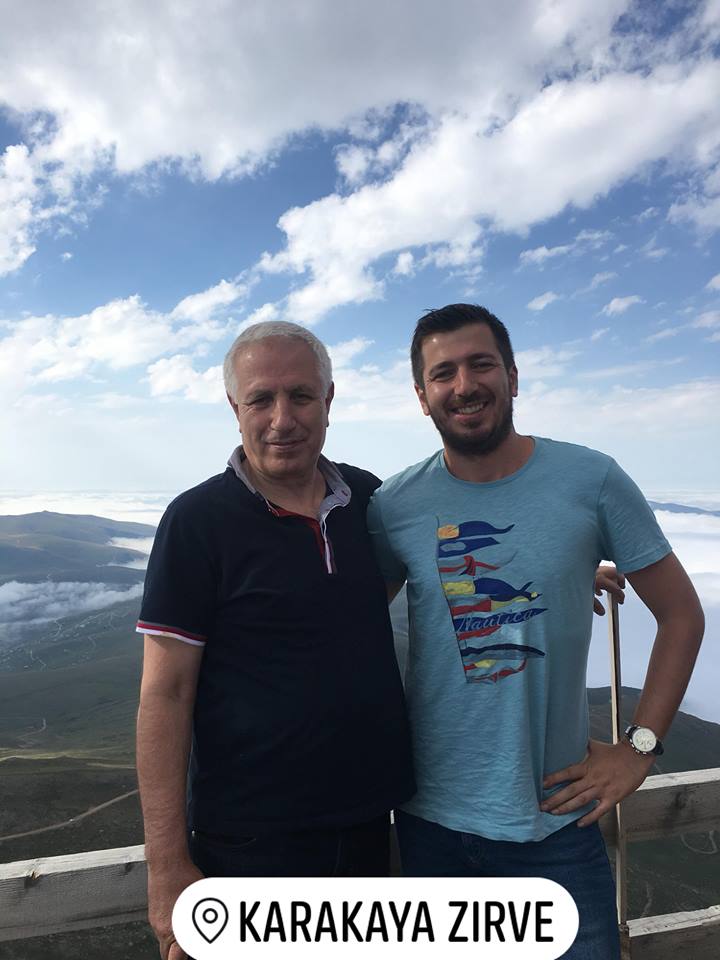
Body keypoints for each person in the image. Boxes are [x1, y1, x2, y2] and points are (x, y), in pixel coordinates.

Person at [366, 303, 704, 959]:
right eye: (443, 373)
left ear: (513, 376)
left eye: (481, 364)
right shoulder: (394, 505)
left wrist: (639, 749)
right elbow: (346, 622)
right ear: (422, 396)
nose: (465, 385)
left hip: (555, 826)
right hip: (428, 825)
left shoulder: (591, 480)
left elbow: (683, 615)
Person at [135, 321, 415, 960]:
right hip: (250, 844)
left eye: (301, 396)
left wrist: (549, 570)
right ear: (235, 407)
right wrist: (167, 866)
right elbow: (165, 696)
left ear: (329, 400)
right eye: (261, 399)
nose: (282, 419)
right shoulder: (197, 522)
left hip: (371, 822)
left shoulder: (367, 500)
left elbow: (430, 560)